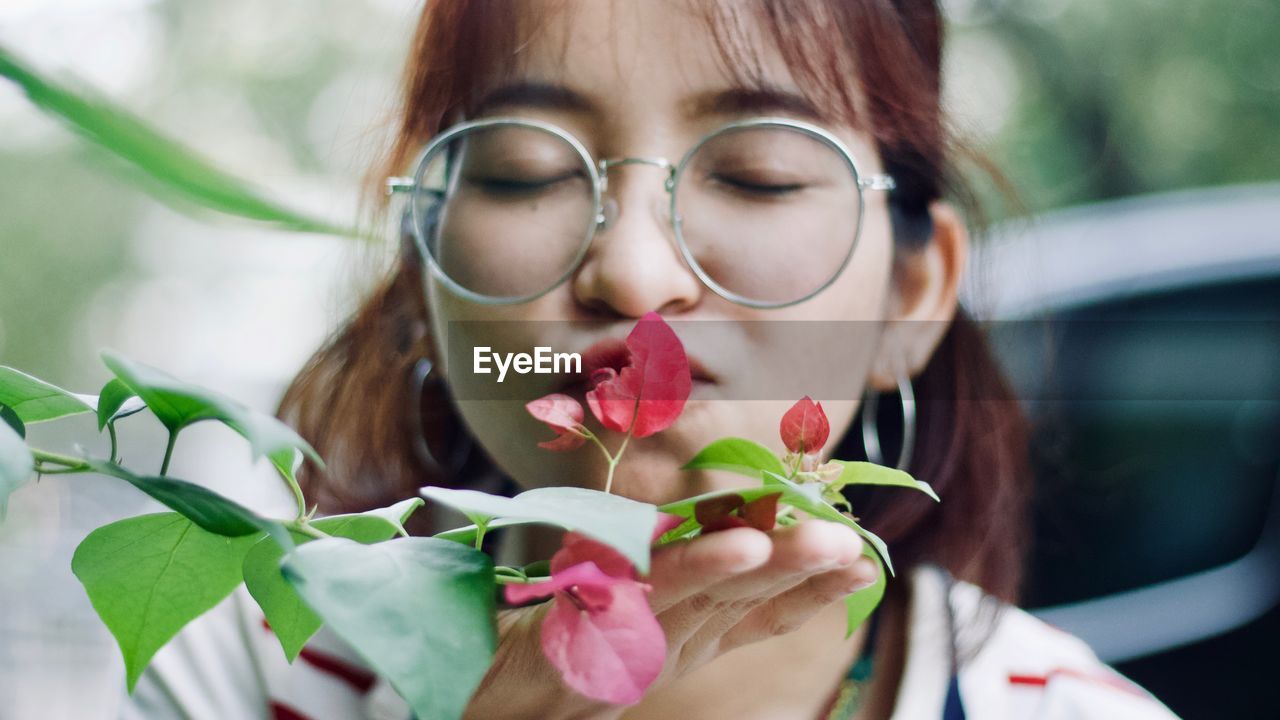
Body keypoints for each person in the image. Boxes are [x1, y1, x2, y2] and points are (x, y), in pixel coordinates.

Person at [123, 1, 1181, 718]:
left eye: (760, 174)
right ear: (423, 269)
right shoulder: (250, 666)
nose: (631, 274)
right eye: (523, 169)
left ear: (912, 295)